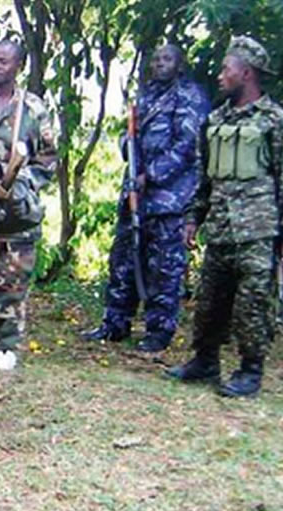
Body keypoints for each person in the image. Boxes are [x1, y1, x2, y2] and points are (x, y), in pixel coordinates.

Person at [166, 36, 283, 397]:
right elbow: (205, 177)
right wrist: (192, 218)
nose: (219, 76)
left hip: (258, 230)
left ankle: (250, 369)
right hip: (221, 227)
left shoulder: (275, 121)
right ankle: (205, 360)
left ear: (245, 74)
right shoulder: (216, 120)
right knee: (210, 299)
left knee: (252, 304)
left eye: (226, 69)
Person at [82, 44, 210, 352]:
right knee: (123, 259)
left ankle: (158, 330)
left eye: (167, 59)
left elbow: (186, 146)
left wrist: (149, 174)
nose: (159, 64)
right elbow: (132, 138)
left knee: (164, 267)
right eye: (156, 59)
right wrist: (128, 146)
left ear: (180, 64)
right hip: (136, 196)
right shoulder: (146, 95)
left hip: (169, 198)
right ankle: (115, 322)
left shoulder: (189, 96)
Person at [0, 39, 57, 371]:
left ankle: (7, 344)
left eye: (4, 62)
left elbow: (48, 160)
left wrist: (21, 185)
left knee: (12, 278)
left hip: (15, 211)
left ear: (18, 67)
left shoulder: (33, 109)